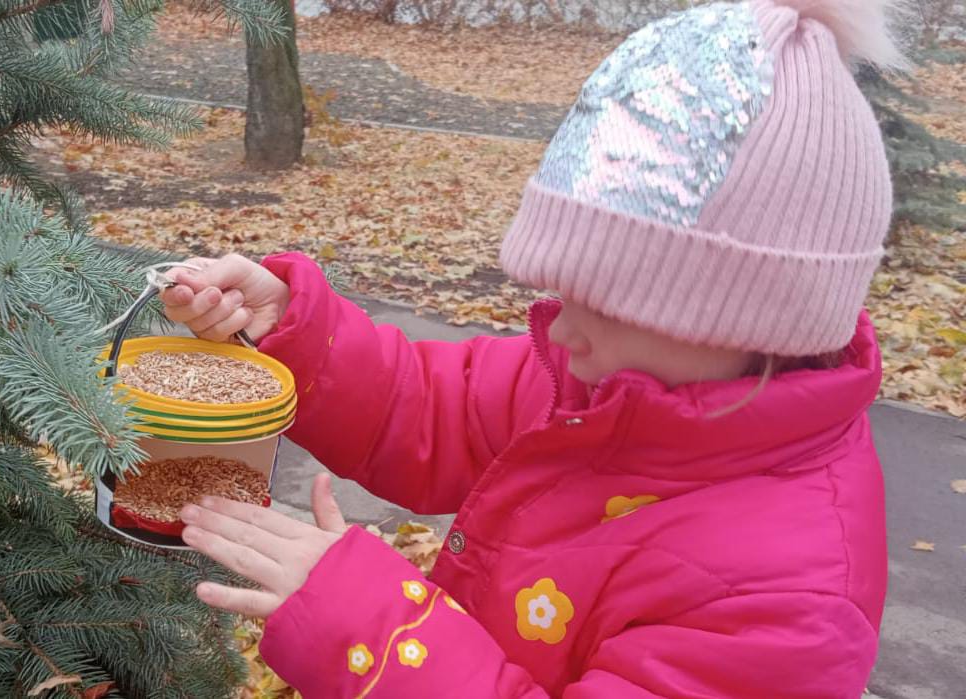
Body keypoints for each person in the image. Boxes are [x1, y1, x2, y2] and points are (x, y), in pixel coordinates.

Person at [163, 0, 901, 695]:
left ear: (745, 320)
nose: (559, 328)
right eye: (562, 288)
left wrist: (371, 627)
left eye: (602, 304)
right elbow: (426, 407)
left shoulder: (788, 597)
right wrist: (295, 331)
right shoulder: (596, 384)